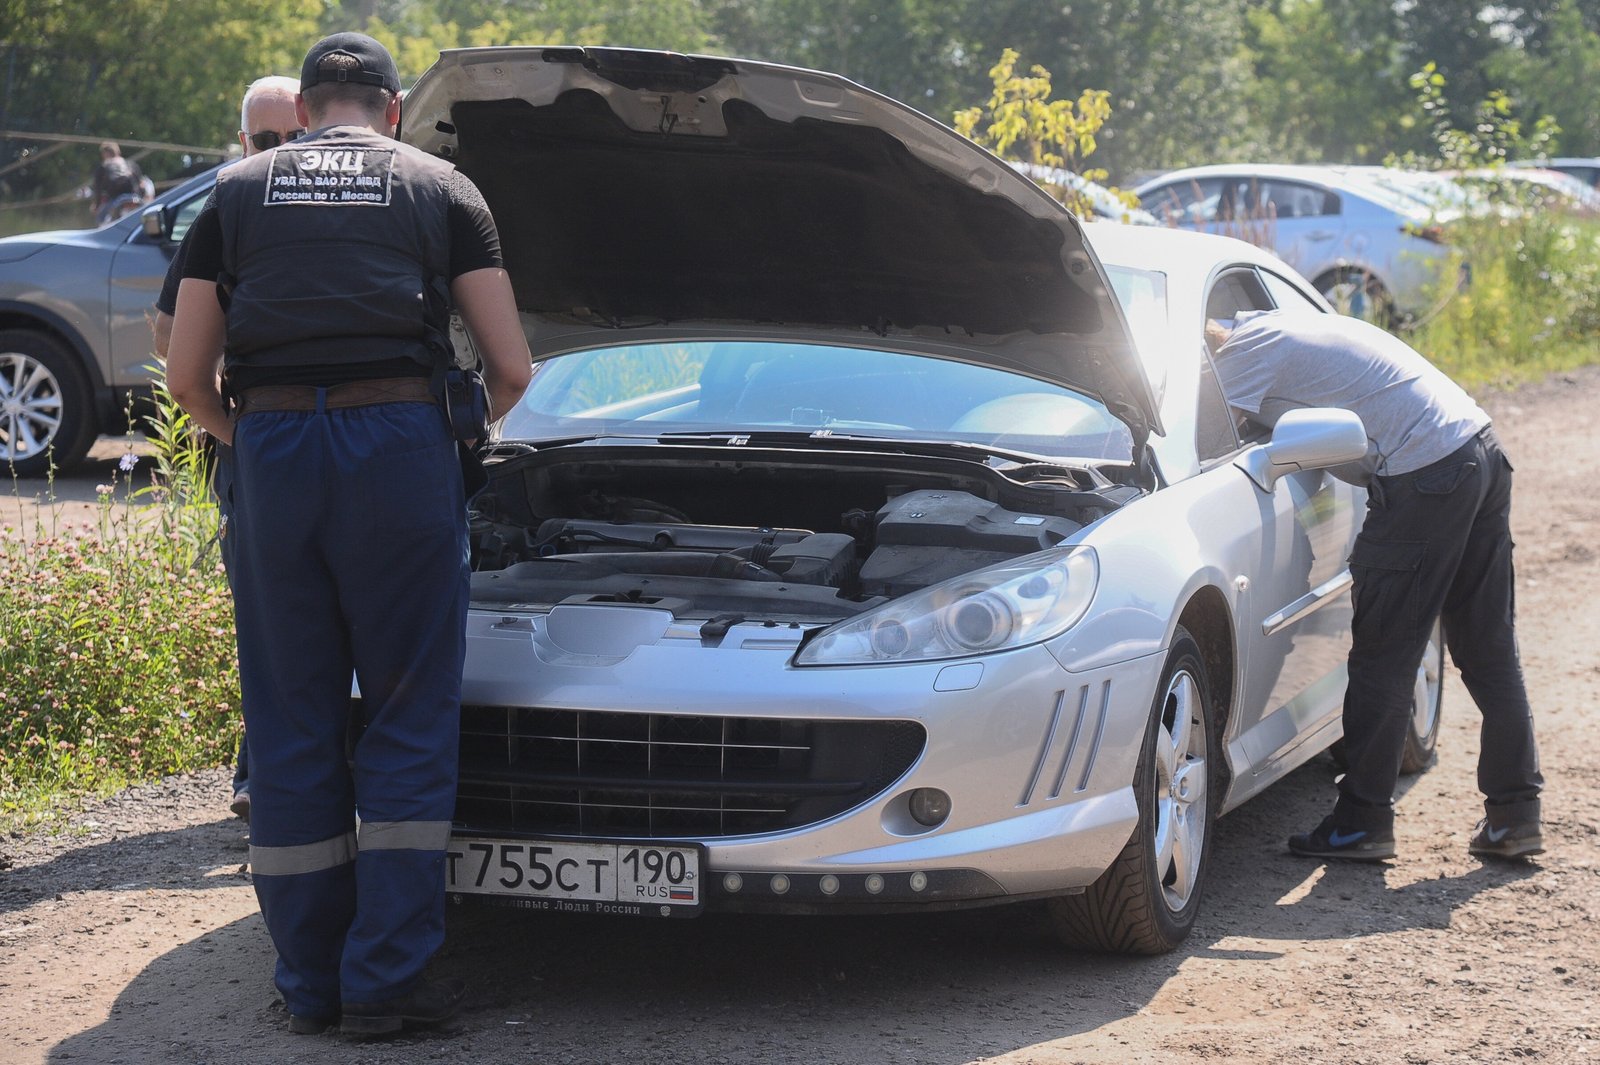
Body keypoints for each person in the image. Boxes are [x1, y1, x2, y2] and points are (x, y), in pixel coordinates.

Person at [166, 32, 532, 1037]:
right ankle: (384, 983)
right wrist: (441, 437)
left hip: (274, 447)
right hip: (398, 448)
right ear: (392, 108)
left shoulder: (236, 194)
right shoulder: (440, 188)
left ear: (310, 104)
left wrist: (259, 441)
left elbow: (187, 379)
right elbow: (511, 366)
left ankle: (309, 982)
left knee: (291, 714)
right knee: (409, 712)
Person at [1206, 309, 1543, 863]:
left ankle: (1361, 822)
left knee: (1383, 656)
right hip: (1478, 447)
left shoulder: (1239, 358)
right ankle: (1516, 816)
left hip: (1426, 472)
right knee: (1489, 648)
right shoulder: (1277, 323)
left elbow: (1208, 446)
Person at [153, 75, 305, 824]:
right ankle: (258, 773)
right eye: (266, 141)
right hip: (257, 443)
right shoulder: (231, 205)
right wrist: (232, 426)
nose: (280, 151)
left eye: (292, 138)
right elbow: (167, 332)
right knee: (267, 614)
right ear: (243, 143)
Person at [90, 141, 146, 224]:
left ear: (104, 154)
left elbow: (97, 189)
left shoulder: (103, 167)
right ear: (118, 152)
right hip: (135, 198)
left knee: (101, 219)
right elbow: (142, 185)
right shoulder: (131, 164)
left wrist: (96, 205)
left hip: (115, 199)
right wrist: (141, 197)